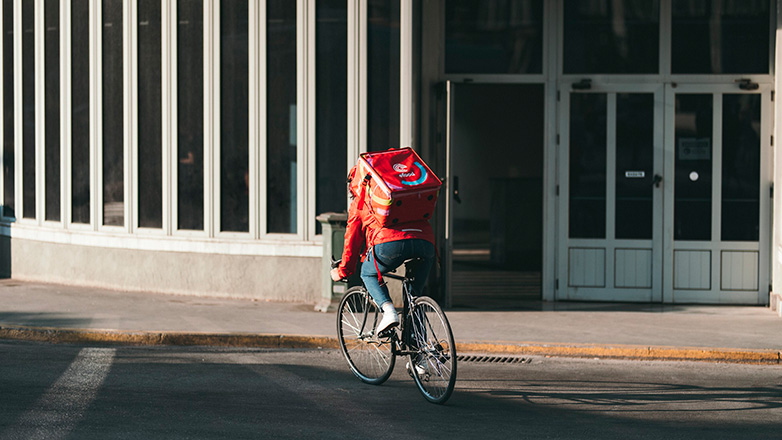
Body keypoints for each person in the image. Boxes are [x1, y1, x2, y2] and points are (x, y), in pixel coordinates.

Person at [331, 166, 436, 335]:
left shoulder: (360, 202)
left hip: (389, 244)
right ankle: (420, 356)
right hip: (426, 242)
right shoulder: (401, 191)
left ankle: (388, 312)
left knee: (367, 273)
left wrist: (343, 271)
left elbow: (352, 241)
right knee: (413, 299)